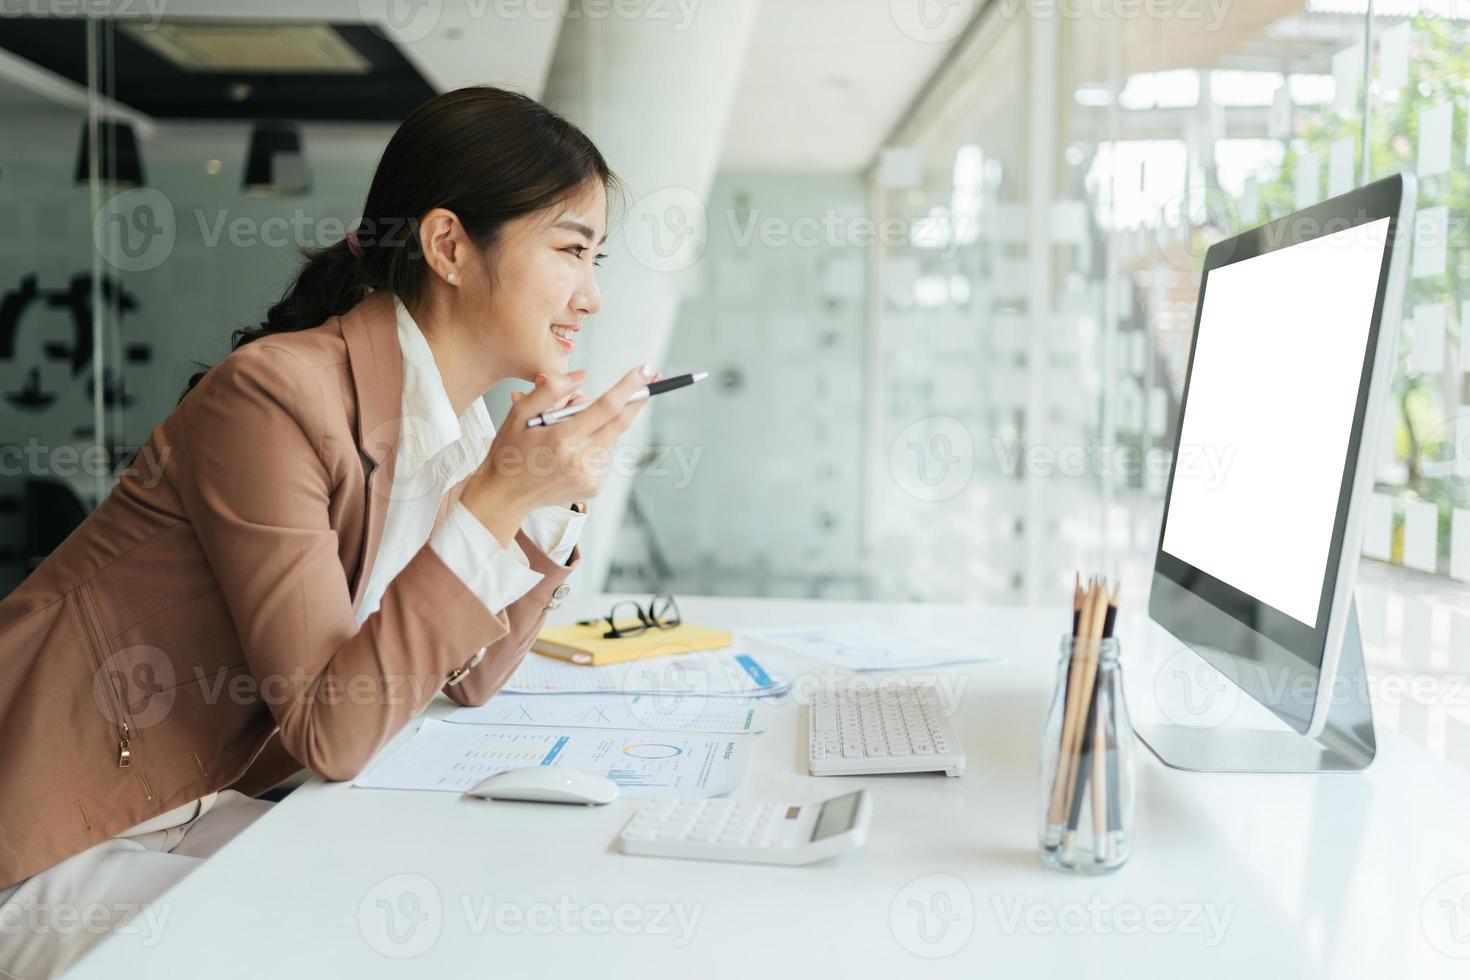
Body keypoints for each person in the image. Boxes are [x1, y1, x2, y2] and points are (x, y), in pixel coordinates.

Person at [0, 85, 654, 977]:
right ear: (449, 245)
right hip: (63, 832)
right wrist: (496, 500)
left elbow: (475, 678)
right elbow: (331, 732)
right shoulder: (275, 396)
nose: (592, 298)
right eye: (572, 251)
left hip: (206, 801)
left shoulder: (457, 430)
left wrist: (547, 494)